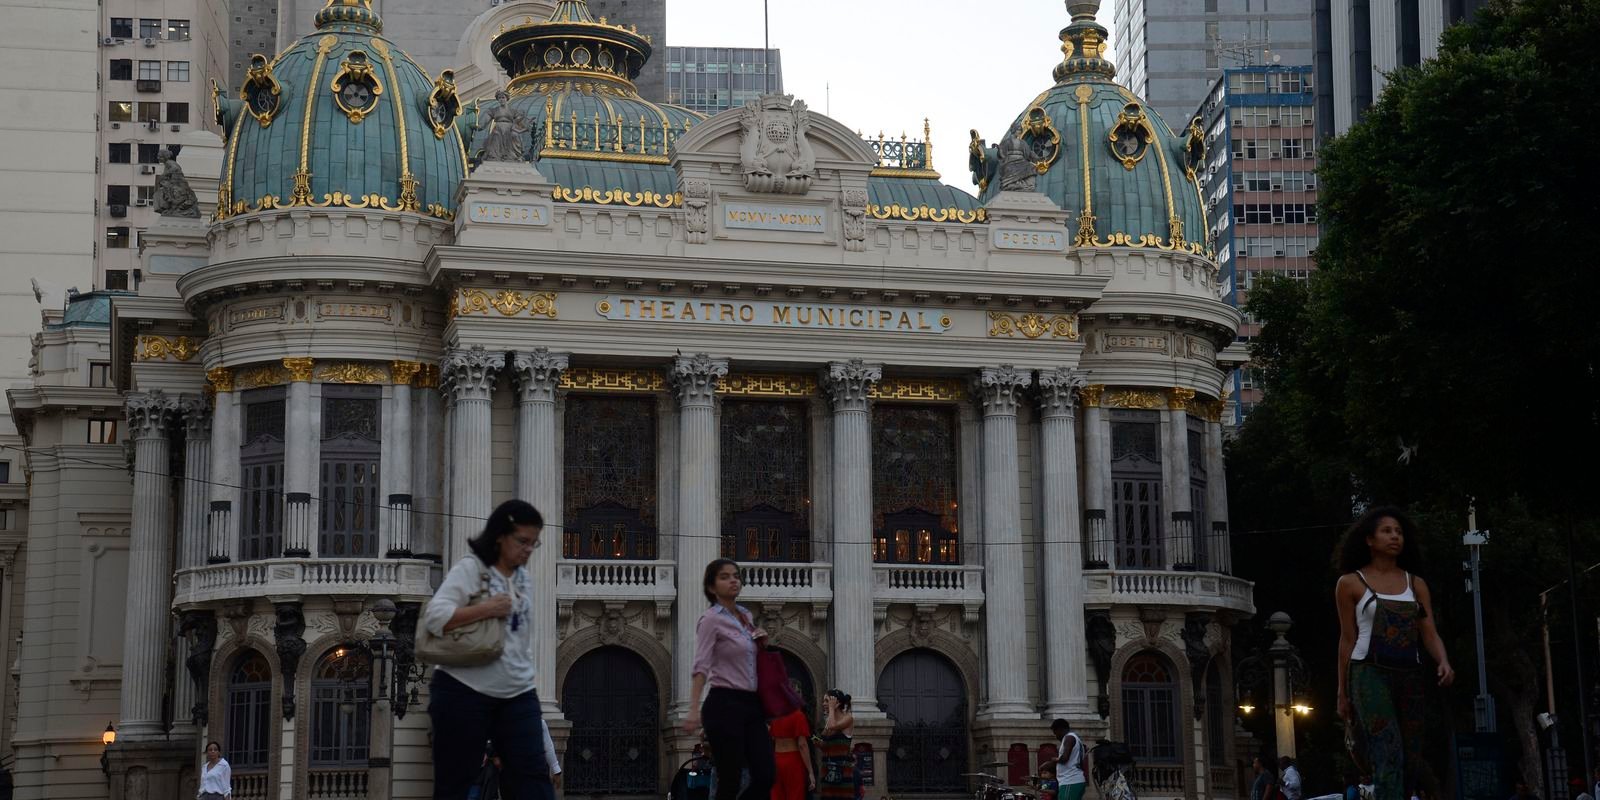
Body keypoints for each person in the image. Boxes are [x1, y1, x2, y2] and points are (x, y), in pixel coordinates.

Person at [423, 499, 555, 800]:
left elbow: (520, 639)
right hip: (463, 689)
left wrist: (529, 683)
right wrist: (484, 609)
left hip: (516, 693)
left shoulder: (524, 581)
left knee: (534, 781)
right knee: (454, 785)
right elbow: (435, 617)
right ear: (500, 535)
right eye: (522, 541)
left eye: (534, 543)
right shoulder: (471, 569)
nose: (528, 550)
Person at [1335, 507, 1454, 800]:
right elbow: (1347, 639)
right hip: (1368, 672)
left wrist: (1443, 661)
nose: (1394, 537)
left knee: (1411, 755)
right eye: (1387, 531)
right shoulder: (1350, 583)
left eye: (1399, 532)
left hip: (1409, 673)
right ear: (1369, 540)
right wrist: (1342, 691)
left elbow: (1428, 631)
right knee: (1387, 748)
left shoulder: (1416, 584)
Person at [683, 559, 776, 800]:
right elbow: (701, 665)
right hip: (724, 703)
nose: (733, 580)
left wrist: (760, 644)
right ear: (712, 587)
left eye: (735, 575)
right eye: (724, 576)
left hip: (752, 704)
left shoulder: (745, 615)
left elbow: (749, 660)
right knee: (730, 780)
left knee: (766, 774)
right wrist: (693, 708)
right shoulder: (711, 619)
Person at [815, 689, 856, 800]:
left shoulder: (848, 718)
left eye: (827, 701)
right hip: (828, 773)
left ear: (836, 703)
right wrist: (815, 740)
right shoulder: (829, 720)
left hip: (842, 774)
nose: (823, 704)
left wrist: (832, 709)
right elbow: (824, 745)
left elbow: (833, 726)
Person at [769, 700, 814, 800]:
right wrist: (810, 771)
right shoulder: (798, 715)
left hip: (776, 759)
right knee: (795, 795)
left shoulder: (775, 716)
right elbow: (802, 744)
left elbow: (772, 738)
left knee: (777, 795)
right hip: (793, 760)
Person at [1049, 719, 1088, 800]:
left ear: (1060, 729)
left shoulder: (1069, 738)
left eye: (1056, 733)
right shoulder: (1075, 738)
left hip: (1070, 781)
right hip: (1073, 780)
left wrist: (1054, 759)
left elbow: (1065, 758)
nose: (1056, 737)